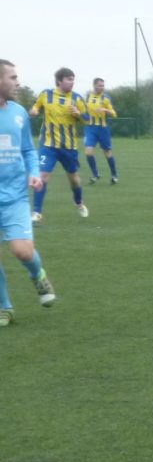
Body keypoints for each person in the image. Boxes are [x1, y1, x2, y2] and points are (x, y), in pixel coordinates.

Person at [0, 59, 57, 326]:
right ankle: (5, 307)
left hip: (15, 196)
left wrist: (34, 172)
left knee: (22, 251)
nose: (17, 82)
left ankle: (38, 275)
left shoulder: (20, 113)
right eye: (12, 77)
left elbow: (27, 150)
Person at [28, 67, 88, 222]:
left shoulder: (77, 99)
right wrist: (33, 111)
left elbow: (87, 119)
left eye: (73, 79)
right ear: (60, 80)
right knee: (43, 176)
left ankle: (79, 202)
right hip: (48, 146)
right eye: (69, 79)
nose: (72, 82)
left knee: (74, 179)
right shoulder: (46, 94)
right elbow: (36, 106)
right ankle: (37, 212)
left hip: (69, 147)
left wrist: (78, 114)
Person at [84, 77, 119, 185]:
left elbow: (114, 114)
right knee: (88, 152)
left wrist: (105, 110)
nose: (102, 87)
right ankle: (95, 174)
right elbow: (84, 110)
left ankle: (114, 175)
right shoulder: (88, 96)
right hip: (90, 128)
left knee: (107, 153)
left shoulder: (106, 98)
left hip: (103, 129)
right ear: (94, 85)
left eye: (103, 85)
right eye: (100, 85)